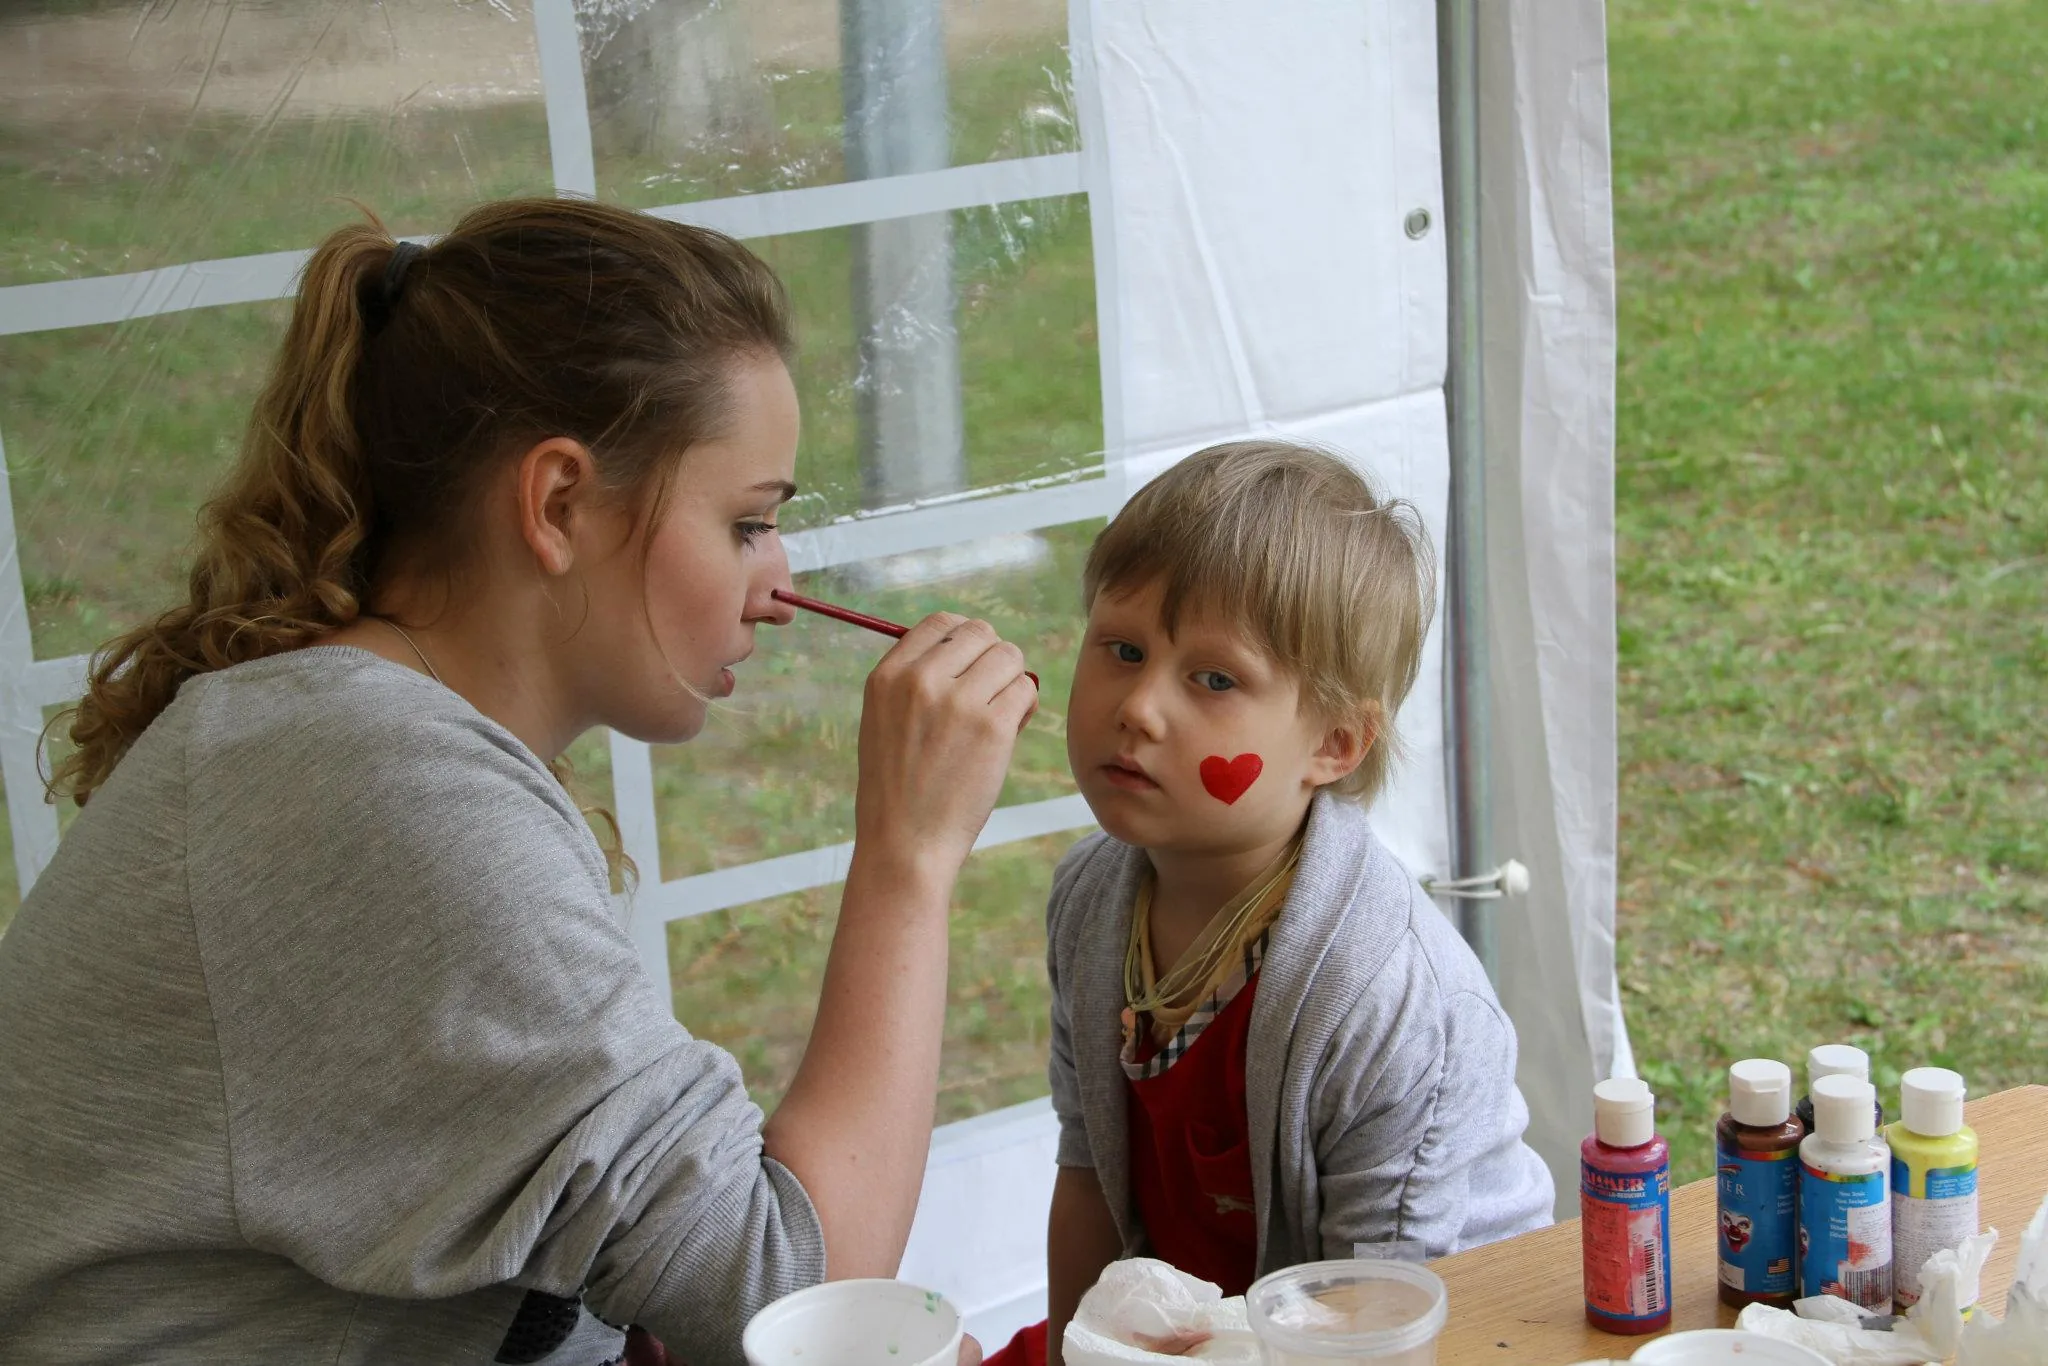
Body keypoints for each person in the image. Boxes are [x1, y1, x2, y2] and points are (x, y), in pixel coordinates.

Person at [0, 199, 1035, 1365]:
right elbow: (791, 1288)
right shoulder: (385, 795)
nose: (778, 583)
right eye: (746, 523)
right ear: (555, 506)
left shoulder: (342, 737)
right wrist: (910, 853)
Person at [1019, 441, 1554, 1364]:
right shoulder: (1089, 898)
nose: (1138, 706)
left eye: (1213, 679)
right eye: (1122, 648)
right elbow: (1088, 1180)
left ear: (1337, 743)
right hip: (1203, 1329)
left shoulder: (1387, 1000)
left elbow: (1381, 1314)